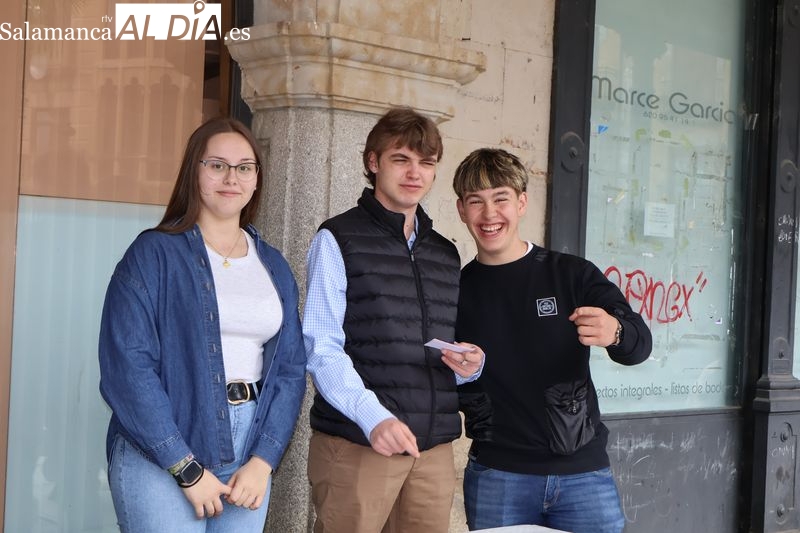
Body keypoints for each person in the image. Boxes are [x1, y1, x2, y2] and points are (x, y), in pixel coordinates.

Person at [98, 117, 306, 532]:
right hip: (164, 451)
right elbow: (128, 366)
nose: (231, 178)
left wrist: (263, 461)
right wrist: (185, 467)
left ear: (256, 179)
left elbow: (290, 369)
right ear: (194, 171)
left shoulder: (273, 265)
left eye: (244, 167)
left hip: (248, 454)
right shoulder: (154, 254)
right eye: (217, 165)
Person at [303, 107, 485, 533]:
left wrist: (471, 365)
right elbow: (321, 347)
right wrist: (374, 418)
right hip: (358, 443)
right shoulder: (337, 238)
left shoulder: (444, 252)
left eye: (426, 162)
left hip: (432, 450)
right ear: (373, 162)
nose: (414, 173)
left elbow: (447, 343)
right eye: (401, 159)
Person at [452, 148, 652, 533]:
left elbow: (639, 345)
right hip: (498, 476)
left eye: (501, 199)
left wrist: (616, 331)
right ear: (462, 210)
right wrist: (461, 374)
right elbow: (440, 381)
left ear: (522, 203)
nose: (489, 214)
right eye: (476, 201)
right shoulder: (455, 290)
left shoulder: (571, 274)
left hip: (583, 475)